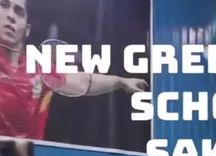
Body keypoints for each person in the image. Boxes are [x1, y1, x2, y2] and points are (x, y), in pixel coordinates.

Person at [0, 0, 147, 139]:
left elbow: (82, 82)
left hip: (27, 154)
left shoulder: (39, 70)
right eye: (4, 5)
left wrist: (121, 81)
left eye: (19, 12)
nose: (11, 16)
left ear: (27, 30)